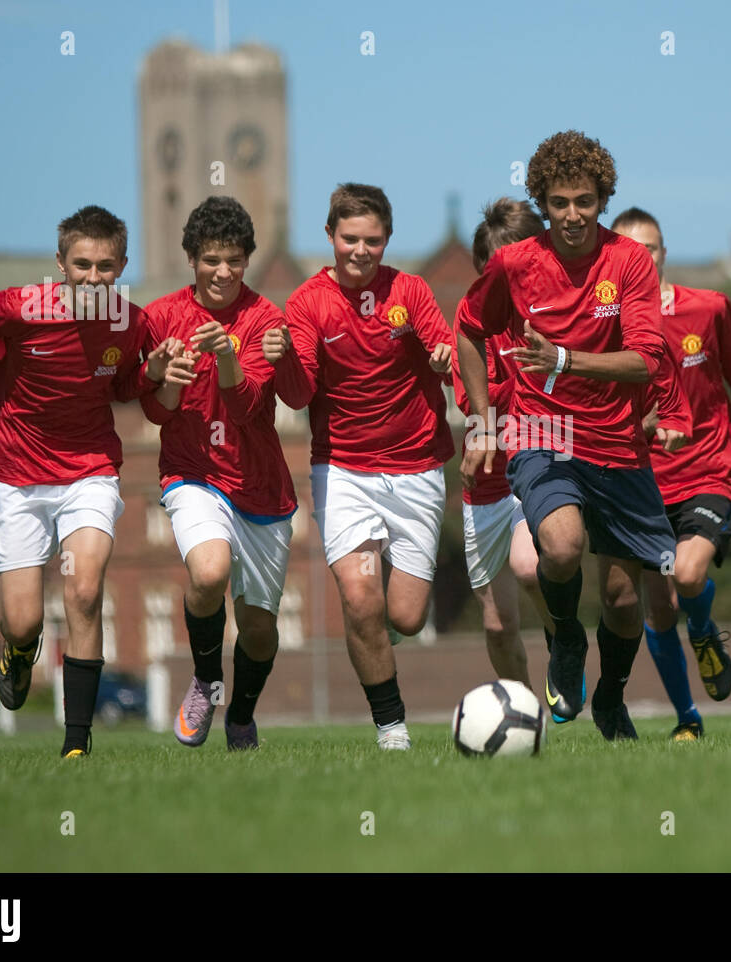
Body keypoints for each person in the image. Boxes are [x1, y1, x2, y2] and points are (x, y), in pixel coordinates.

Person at [0, 205, 172, 757]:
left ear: (122, 264)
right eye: (82, 264)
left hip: (88, 471)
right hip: (13, 475)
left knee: (83, 590)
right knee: (26, 619)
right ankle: (18, 648)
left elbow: (123, 384)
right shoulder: (18, 307)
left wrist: (148, 374)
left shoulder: (132, 322)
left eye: (106, 266)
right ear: (60, 263)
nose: (94, 277)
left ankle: (77, 744)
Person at [457, 130, 685, 741]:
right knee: (558, 549)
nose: (573, 215)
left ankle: (611, 697)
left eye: (584, 200)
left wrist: (564, 360)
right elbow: (467, 329)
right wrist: (482, 420)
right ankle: (564, 640)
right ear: (543, 201)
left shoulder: (628, 263)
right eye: (559, 202)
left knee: (622, 599)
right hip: (540, 430)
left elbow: (647, 361)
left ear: (602, 197)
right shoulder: (515, 264)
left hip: (614, 441)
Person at [264, 183, 454, 750]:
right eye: (350, 239)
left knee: (407, 617)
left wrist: (444, 359)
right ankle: (391, 727)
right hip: (344, 471)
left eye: (372, 240)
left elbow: (445, 350)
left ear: (386, 240)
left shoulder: (411, 290)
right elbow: (298, 397)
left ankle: (383, 657)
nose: (360, 250)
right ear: (330, 237)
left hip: (418, 467)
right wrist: (280, 366)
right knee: (360, 597)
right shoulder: (306, 303)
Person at [142, 196, 295, 751]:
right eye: (211, 260)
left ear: (247, 261)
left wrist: (227, 352)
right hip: (192, 473)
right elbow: (154, 411)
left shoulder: (265, 319)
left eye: (234, 260)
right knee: (208, 574)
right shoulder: (159, 316)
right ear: (191, 259)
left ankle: (241, 717)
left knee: (258, 628)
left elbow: (254, 407)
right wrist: (165, 378)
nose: (223, 272)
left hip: (259, 486)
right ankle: (207, 682)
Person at [612, 207, 731, 741]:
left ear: (663, 252)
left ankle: (702, 628)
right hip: (643, 480)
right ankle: (687, 719)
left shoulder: (708, 309)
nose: (640, 258)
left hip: (707, 469)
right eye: (628, 249)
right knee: (658, 608)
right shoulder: (605, 328)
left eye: (649, 248)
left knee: (687, 574)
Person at [451, 198, 553, 691]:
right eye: (498, 267)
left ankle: (563, 645)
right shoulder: (470, 323)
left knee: (531, 566)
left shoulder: (558, 314)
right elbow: (472, 403)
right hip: (486, 480)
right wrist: (486, 425)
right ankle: (524, 711)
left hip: (542, 460)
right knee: (497, 624)